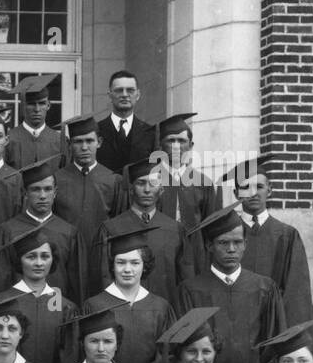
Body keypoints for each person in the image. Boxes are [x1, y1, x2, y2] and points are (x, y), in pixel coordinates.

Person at [178, 206, 287, 363]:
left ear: (245, 244)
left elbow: (274, 343)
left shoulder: (264, 288)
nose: (231, 249)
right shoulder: (190, 290)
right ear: (209, 246)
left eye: (237, 242)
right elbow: (184, 348)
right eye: (223, 243)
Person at [95, 154, 196, 305]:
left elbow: (185, 278)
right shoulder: (111, 228)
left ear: (161, 190)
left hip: (165, 311)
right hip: (122, 311)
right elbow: (104, 278)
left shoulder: (175, 229)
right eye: (141, 183)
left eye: (153, 183)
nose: (147, 190)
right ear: (130, 189)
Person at [84, 224, 174, 363]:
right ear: (112, 265)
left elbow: (166, 354)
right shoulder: (94, 306)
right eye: (121, 262)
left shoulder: (160, 307)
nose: (127, 269)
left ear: (144, 265)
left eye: (135, 263)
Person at [231, 158, 313, 324]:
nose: (253, 193)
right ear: (236, 193)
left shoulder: (287, 235)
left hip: (274, 323)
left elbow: (296, 291)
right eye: (245, 187)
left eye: (259, 187)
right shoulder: (226, 235)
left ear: (269, 190)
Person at [0, 158, 85, 302]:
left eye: (48, 189)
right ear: (25, 193)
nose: (42, 196)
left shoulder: (69, 232)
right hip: (16, 310)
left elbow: (76, 282)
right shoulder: (7, 231)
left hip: (58, 308)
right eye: (35, 189)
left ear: (55, 192)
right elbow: (2, 280)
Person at [3, 231, 79, 363]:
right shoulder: (3, 303)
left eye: (45, 256)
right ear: (19, 260)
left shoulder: (65, 307)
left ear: (53, 259)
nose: (39, 263)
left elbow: (69, 358)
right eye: (31, 256)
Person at [53, 114, 128, 257]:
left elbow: (119, 224)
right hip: (66, 254)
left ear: (99, 142)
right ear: (69, 145)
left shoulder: (114, 180)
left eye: (89, 141)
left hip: (101, 255)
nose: (84, 147)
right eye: (78, 142)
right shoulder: (56, 179)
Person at [153, 112, 221, 258]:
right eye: (171, 140)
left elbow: (212, 228)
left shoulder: (204, 183)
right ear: (160, 146)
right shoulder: (149, 180)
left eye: (182, 141)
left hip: (194, 256)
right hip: (157, 255)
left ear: (191, 146)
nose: (176, 146)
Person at [94, 70, 156, 175]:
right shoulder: (96, 130)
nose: (124, 95)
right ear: (110, 95)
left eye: (130, 90)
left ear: (138, 95)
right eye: (119, 90)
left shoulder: (150, 132)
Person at [3, 74, 62, 170]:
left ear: (48, 105)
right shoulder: (9, 140)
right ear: (23, 106)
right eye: (31, 104)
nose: (37, 109)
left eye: (42, 103)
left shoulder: (60, 141)